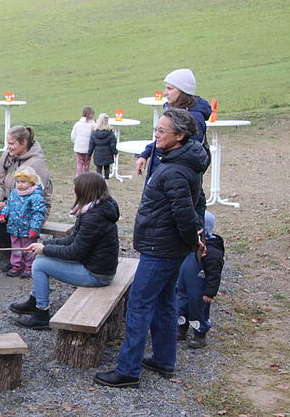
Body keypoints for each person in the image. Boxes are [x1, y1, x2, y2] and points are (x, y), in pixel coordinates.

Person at [95, 108, 208, 388]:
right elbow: (197, 202)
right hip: (168, 246)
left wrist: (194, 240)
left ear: (179, 136)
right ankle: (163, 359)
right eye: (155, 130)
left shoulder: (174, 171)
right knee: (165, 301)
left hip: (161, 247)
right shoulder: (180, 157)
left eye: (161, 131)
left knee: (139, 304)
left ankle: (128, 371)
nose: (155, 136)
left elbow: (186, 212)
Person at [10, 173, 119, 329]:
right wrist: (44, 244)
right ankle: (34, 302)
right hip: (93, 264)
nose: (73, 192)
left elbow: (74, 252)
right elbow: (72, 239)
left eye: (75, 189)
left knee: (40, 265)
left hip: (97, 274)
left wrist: (45, 249)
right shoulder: (95, 208)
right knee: (40, 260)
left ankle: (41, 314)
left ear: (84, 191)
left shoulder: (94, 217)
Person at [0, 126, 53, 250]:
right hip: (9, 201)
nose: (8, 147)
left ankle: (12, 250)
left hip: (30, 208)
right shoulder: (8, 155)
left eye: (11, 143)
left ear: (24, 143)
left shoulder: (37, 164)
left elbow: (37, 195)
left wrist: (6, 204)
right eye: (8, 143)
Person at [135, 69, 212, 179]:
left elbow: (192, 153)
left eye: (170, 89)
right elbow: (163, 139)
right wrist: (145, 154)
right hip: (162, 173)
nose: (165, 93)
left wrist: (167, 173)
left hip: (175, 178)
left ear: (183, 91)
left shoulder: (195, 118)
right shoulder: (172, 110)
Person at [177, 211, 225, 349]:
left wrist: (210, 292)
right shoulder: (189, 246)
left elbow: (215, 274)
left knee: (198, 310)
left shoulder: (211, 253)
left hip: (199, 291)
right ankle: (181, 329)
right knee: (182, 306)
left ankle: (200, 334)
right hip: (184, 287)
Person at [0, 166, 46, 278]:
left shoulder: (35, 197)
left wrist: (34, 228)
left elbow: (38, 214)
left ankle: (28, 266)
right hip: (14, 228)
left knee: (28, 248)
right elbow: (9, 206)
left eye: (23, 182)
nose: (20, 185)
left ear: (31, 182)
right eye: (18, 182)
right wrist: (3, 214)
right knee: (15, 247)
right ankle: (16, 265)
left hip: (28, 229)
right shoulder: (14, 193)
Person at [88, 113, 118, 179]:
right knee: (107, 169)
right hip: (108, 154)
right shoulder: (110, 132)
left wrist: (89, 154)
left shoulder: (94, 132)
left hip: (98, 154)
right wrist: (115, 152)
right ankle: (106, 182)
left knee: (98, 169)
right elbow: (113, 144)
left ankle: (99, 183)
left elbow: (91, 145)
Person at [71, 106, 96, 176]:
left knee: (79, 163)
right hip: (88, 148)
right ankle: (86, 177)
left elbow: (73, 135)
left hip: (78, 147)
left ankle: (79, 177)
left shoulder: (77, 124)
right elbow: (94, 136)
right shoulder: (93, 125)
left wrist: (76, 142)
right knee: (87, 163)